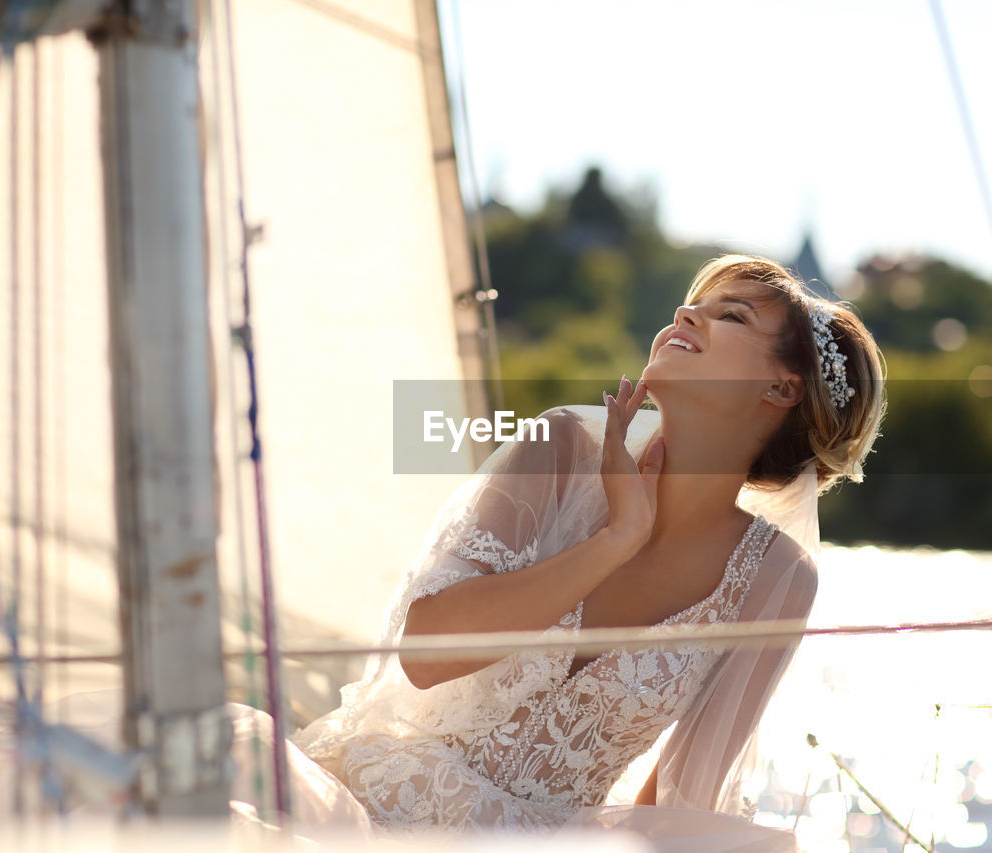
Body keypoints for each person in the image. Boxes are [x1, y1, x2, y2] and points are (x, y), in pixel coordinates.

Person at [287, 254, 887, 848]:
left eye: (728, 315)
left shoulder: (777, 578)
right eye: (691, 304)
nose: (684, 313)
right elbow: (424, 652)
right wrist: (615, 540)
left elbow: (685, 800)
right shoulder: (560, 448)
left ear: (782, 387)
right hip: (370, 809)